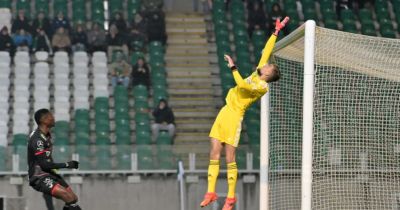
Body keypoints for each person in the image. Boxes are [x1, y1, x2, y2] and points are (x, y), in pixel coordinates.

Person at [199, 17, 288, 210]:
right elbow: (267, 50)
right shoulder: (259, 73)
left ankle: (230, 198)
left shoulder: (261, 87)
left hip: (234, 117)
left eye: (267, 66)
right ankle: (211, 192)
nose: (264, 64)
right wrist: (276, 32)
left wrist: (233, 66)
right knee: (214, 151)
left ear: (268, 74)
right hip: (224, 112)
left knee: (229, 156)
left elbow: (240, 84)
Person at [28, 109, 82, 210]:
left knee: (74, 199)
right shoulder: (38, 140)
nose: (53, 118)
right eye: (50, 116)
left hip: (50, 173)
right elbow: (43, 165)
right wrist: (67, 164)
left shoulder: (47, 135)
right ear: (43, 120)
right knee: (68, 197)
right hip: (39, 177)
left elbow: (47, 158)